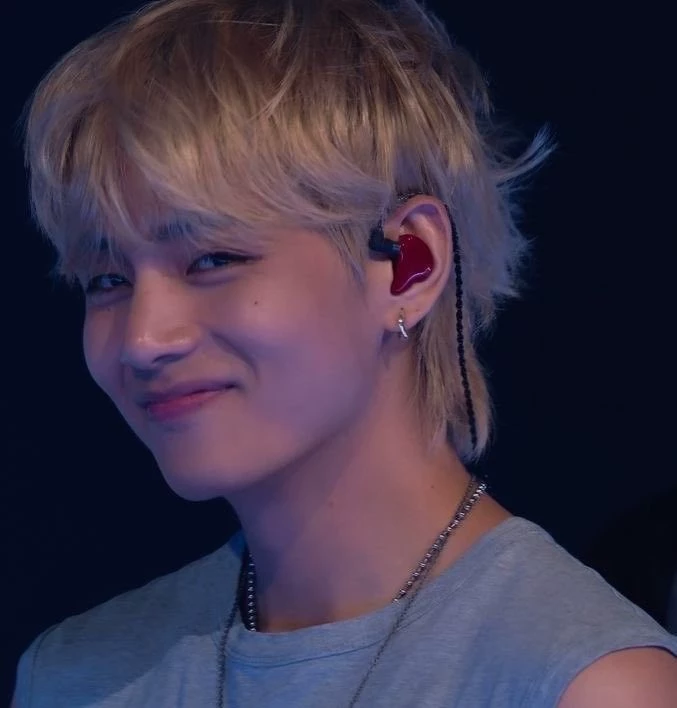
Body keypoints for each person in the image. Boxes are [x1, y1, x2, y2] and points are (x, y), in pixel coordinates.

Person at [13, 0, 677, 705]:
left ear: (408, 263)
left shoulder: (582, 685)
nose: (144, 340)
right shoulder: (75, 676)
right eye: (106, 280)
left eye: (212, 259)